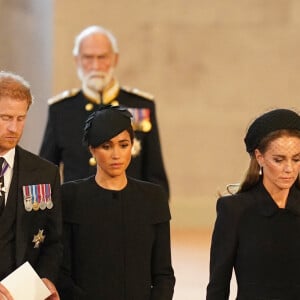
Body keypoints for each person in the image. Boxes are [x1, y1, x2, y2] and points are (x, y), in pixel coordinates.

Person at [57, 105, 175, 299]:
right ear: (92, 150)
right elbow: (62, 273)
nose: (116, 155)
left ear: (132, 146)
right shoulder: (71, 196)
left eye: (123, 145)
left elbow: (163, 274)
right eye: (106, 146)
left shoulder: (153, 197)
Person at [39, 25, 170, 199]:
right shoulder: (61, 109)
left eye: (102, 57)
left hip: (129, 211)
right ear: (76, 60)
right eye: (88, 57)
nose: (96, 65)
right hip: (77, 214)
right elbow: (45, 174)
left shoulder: (140, 105)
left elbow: (155, 174)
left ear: (115, 59)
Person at [206, 108, 300, 299]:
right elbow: (218, 286)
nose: (289, 168)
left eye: (297, 159)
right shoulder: (234, 211)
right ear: (260, 157)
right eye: (279, 160)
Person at [0, 71, 62, 300]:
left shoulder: (46, 174)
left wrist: (44, 280)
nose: (14, 128)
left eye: (20, 118)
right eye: (5, 118)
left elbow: (55, 241)